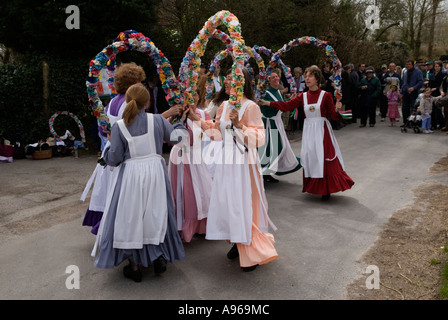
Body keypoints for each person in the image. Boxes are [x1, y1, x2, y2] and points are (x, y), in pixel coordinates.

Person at [92, 83, 189, 282]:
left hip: (130, 176)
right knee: (156, 213)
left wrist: (108, 150)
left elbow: (115, 158)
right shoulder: (157, 120)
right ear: (148, 101)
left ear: (127, 101)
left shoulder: (119, 126)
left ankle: (134, 265)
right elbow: (178, 138)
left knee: (131, 217)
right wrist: (181, 123)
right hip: (155, 173)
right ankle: (157, 256)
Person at [188, 68, 278, 272]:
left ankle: (250, 248)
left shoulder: (251, 106)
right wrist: (196, 119)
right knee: (228, 203)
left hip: (244, 164)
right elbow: (216, 132)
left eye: (230, 79)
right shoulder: (225, 105)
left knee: (243, 204)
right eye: (226, 78)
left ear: (241, 82)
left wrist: (239, 125)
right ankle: (237, 242)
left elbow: (259, 138)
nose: (226, 82)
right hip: (226, 162)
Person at [259, 65, 354, 200]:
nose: (307, 78)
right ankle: (314, 186)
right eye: (306, 76)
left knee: (324, 157)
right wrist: (267, 103)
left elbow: (333, 116)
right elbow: (286, 105)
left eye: (310, 76)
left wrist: (339, 110)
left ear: (317, 79)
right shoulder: (303, 96)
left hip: (322, 131)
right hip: (309, 131)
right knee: (311, 157)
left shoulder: (325, 95)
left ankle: (326, 189)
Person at [82, 62, 146, 235]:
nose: (142, 85)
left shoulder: (112, 102)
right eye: (140, 81)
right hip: (123, 154)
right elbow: (138, 129)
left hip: (111, 151)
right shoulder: (130, 103)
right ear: (134, 83)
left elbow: (104, 129)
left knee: (110, 193)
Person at [168, 92, 212, 242]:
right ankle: (182, 227)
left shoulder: (203, 114)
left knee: (203, 192)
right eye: (187, 95)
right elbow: (169, 137)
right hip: (179, 158)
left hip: (197, 156)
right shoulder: (176, 114)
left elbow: (211, 132)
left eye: (194, 94)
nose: (192, 98)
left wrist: (194, 117)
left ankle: (202, 227)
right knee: (184, 192)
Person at [258, 69, 301, 183]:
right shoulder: (266, 93)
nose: (276, 79)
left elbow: (280, 104)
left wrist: (290, 100)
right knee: (269, 149)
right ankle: (263, 173)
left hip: (277, 123)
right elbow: (266, 107)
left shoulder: (277, 92)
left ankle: (268, 173)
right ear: (269, 80)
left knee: (277, 148)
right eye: (273, 77)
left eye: (277, 76)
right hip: (269, 124)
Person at [401, 60, 424, 126]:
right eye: (407, 64)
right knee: (405, 107)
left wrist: (413, 88)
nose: (408, 66)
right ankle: (406, 122)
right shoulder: (405, 72)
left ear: (412, 65)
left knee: (413, 107)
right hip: (406, 91)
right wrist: (406, 89)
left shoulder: (418, 72)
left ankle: (413, 122)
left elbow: (420, 82)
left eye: (409, 64)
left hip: (414, 92)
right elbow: (403, 82)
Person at [429, 60, 445, 130]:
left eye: (438, 66)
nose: (437, 68)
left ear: (441, 67)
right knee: (432, 109)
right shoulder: (432, 75)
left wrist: (436, 88)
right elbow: (430, 84)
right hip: (431, 93)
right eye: (435, 66)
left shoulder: (443, 75)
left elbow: (443, 85)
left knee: (438, 110)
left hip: (438, 93)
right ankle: (433, 124)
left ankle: (441, 123)